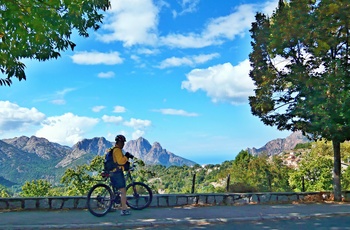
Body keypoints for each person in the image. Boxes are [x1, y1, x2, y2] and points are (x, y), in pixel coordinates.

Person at [110, 134, 134, 216]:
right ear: (118, 142)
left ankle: (110, 206)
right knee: (123, 191)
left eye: (124, 142)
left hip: (114, 172)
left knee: (117, 191)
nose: (123, 144)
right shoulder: (117, 150)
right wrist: (126, 157)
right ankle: (124, 210)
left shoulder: (115, 150)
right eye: (122, 142)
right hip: (117, 173)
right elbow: (120, 161)